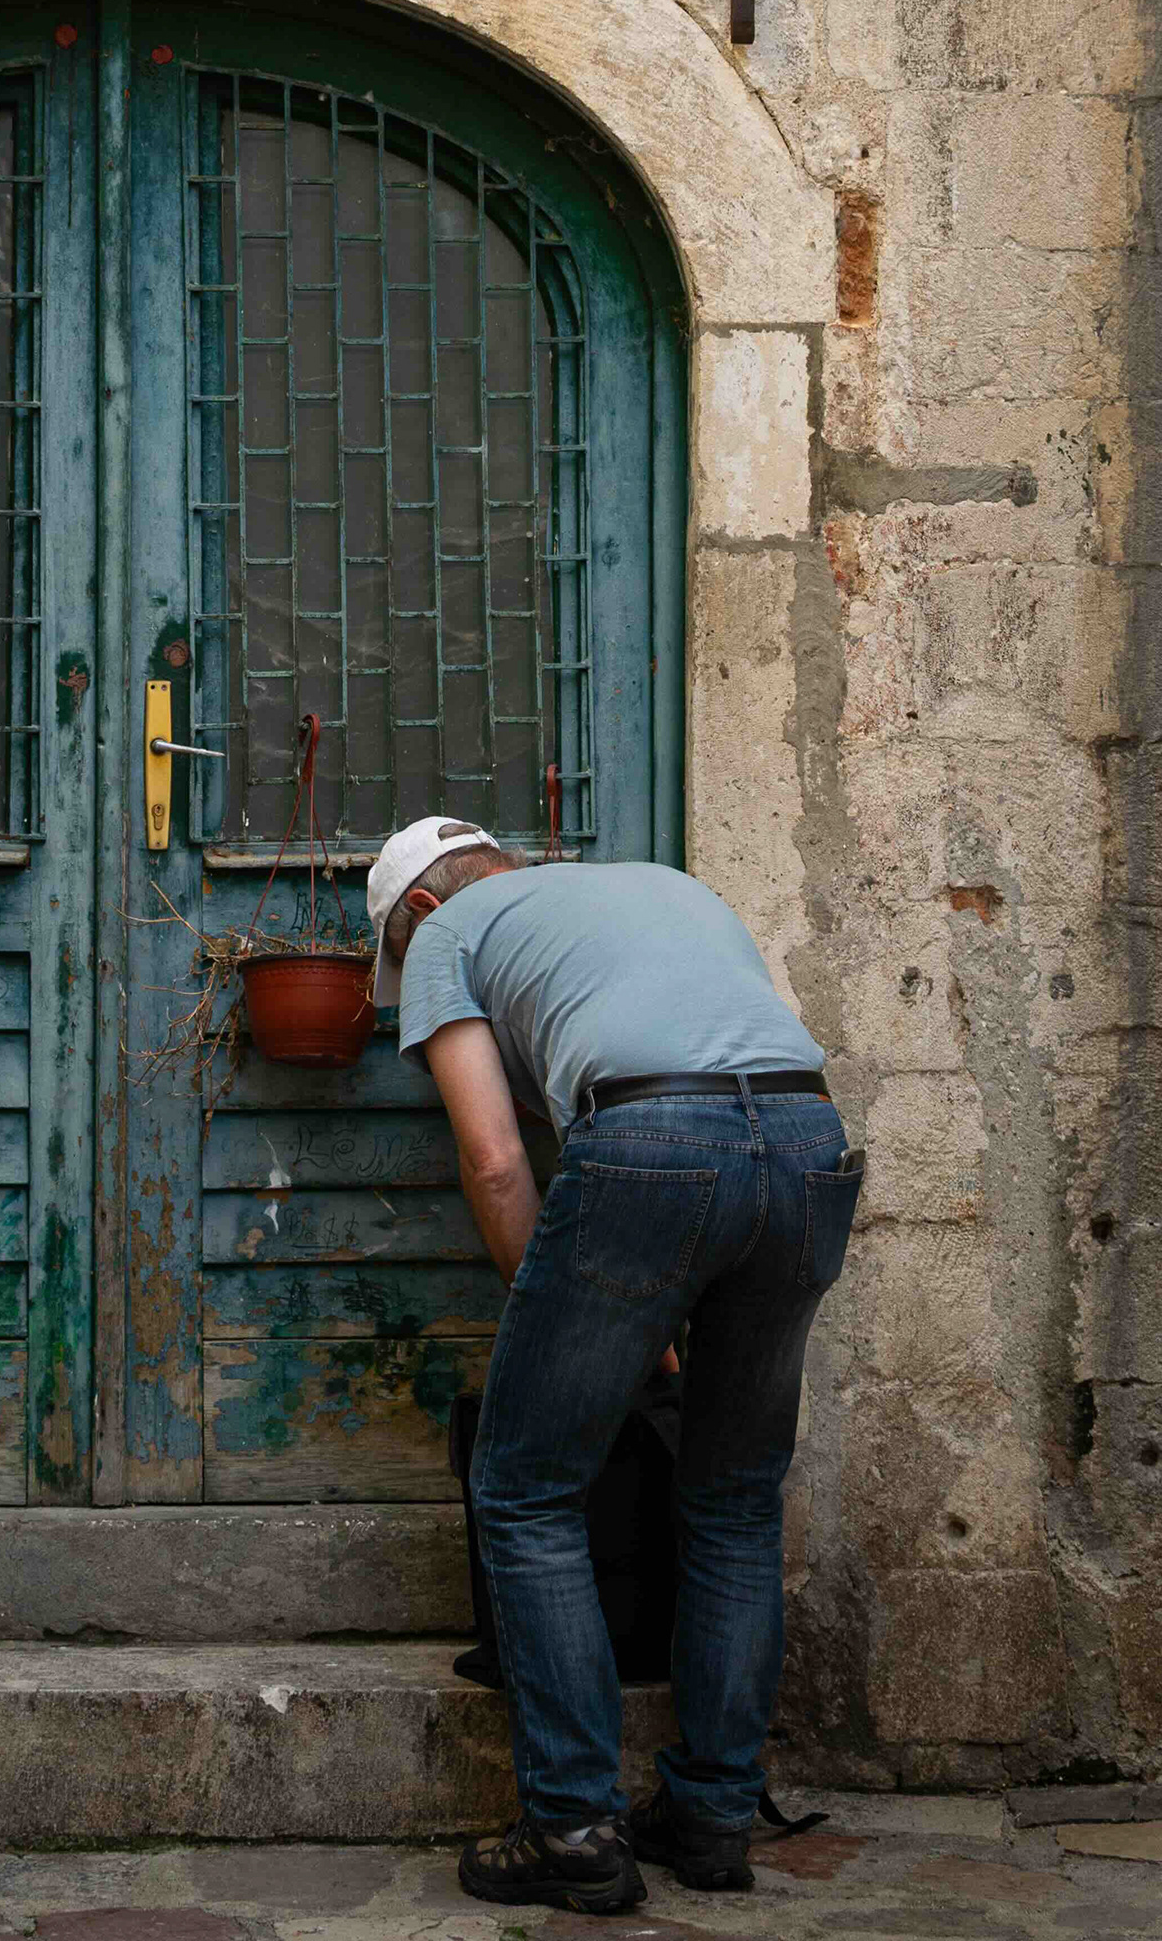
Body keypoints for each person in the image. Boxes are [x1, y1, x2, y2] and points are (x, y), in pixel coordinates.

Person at [368, 816, 863, 1918]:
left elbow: (497, 1160)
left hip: (652, 1144)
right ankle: (713, 1815)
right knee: (733, 1498)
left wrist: (575, 1306)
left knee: (526, 1484)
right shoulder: (661, 885)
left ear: (418, 911)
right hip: (810, 1143)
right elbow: (744, 1054)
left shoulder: (451, 934)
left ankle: (573, 1824)